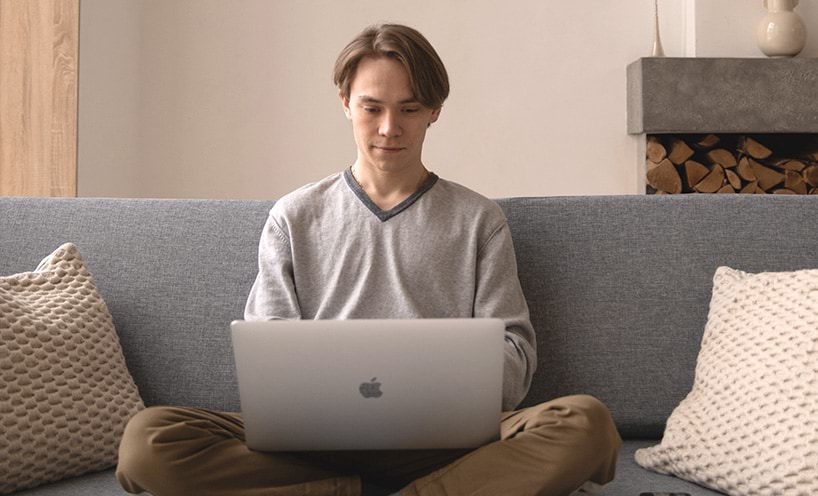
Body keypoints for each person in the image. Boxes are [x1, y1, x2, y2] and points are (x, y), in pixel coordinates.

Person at [116, 23, 621, 496]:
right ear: (345, 103)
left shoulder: (478, 220)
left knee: (587, 426)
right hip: (314, 449)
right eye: (371, 108)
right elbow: (269, 362)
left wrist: (446, 378)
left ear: (434, 111)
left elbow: (516, 363)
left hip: (448, 445)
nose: (388, 128)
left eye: (409, 108)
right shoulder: (293, 217)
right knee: (147, 442)